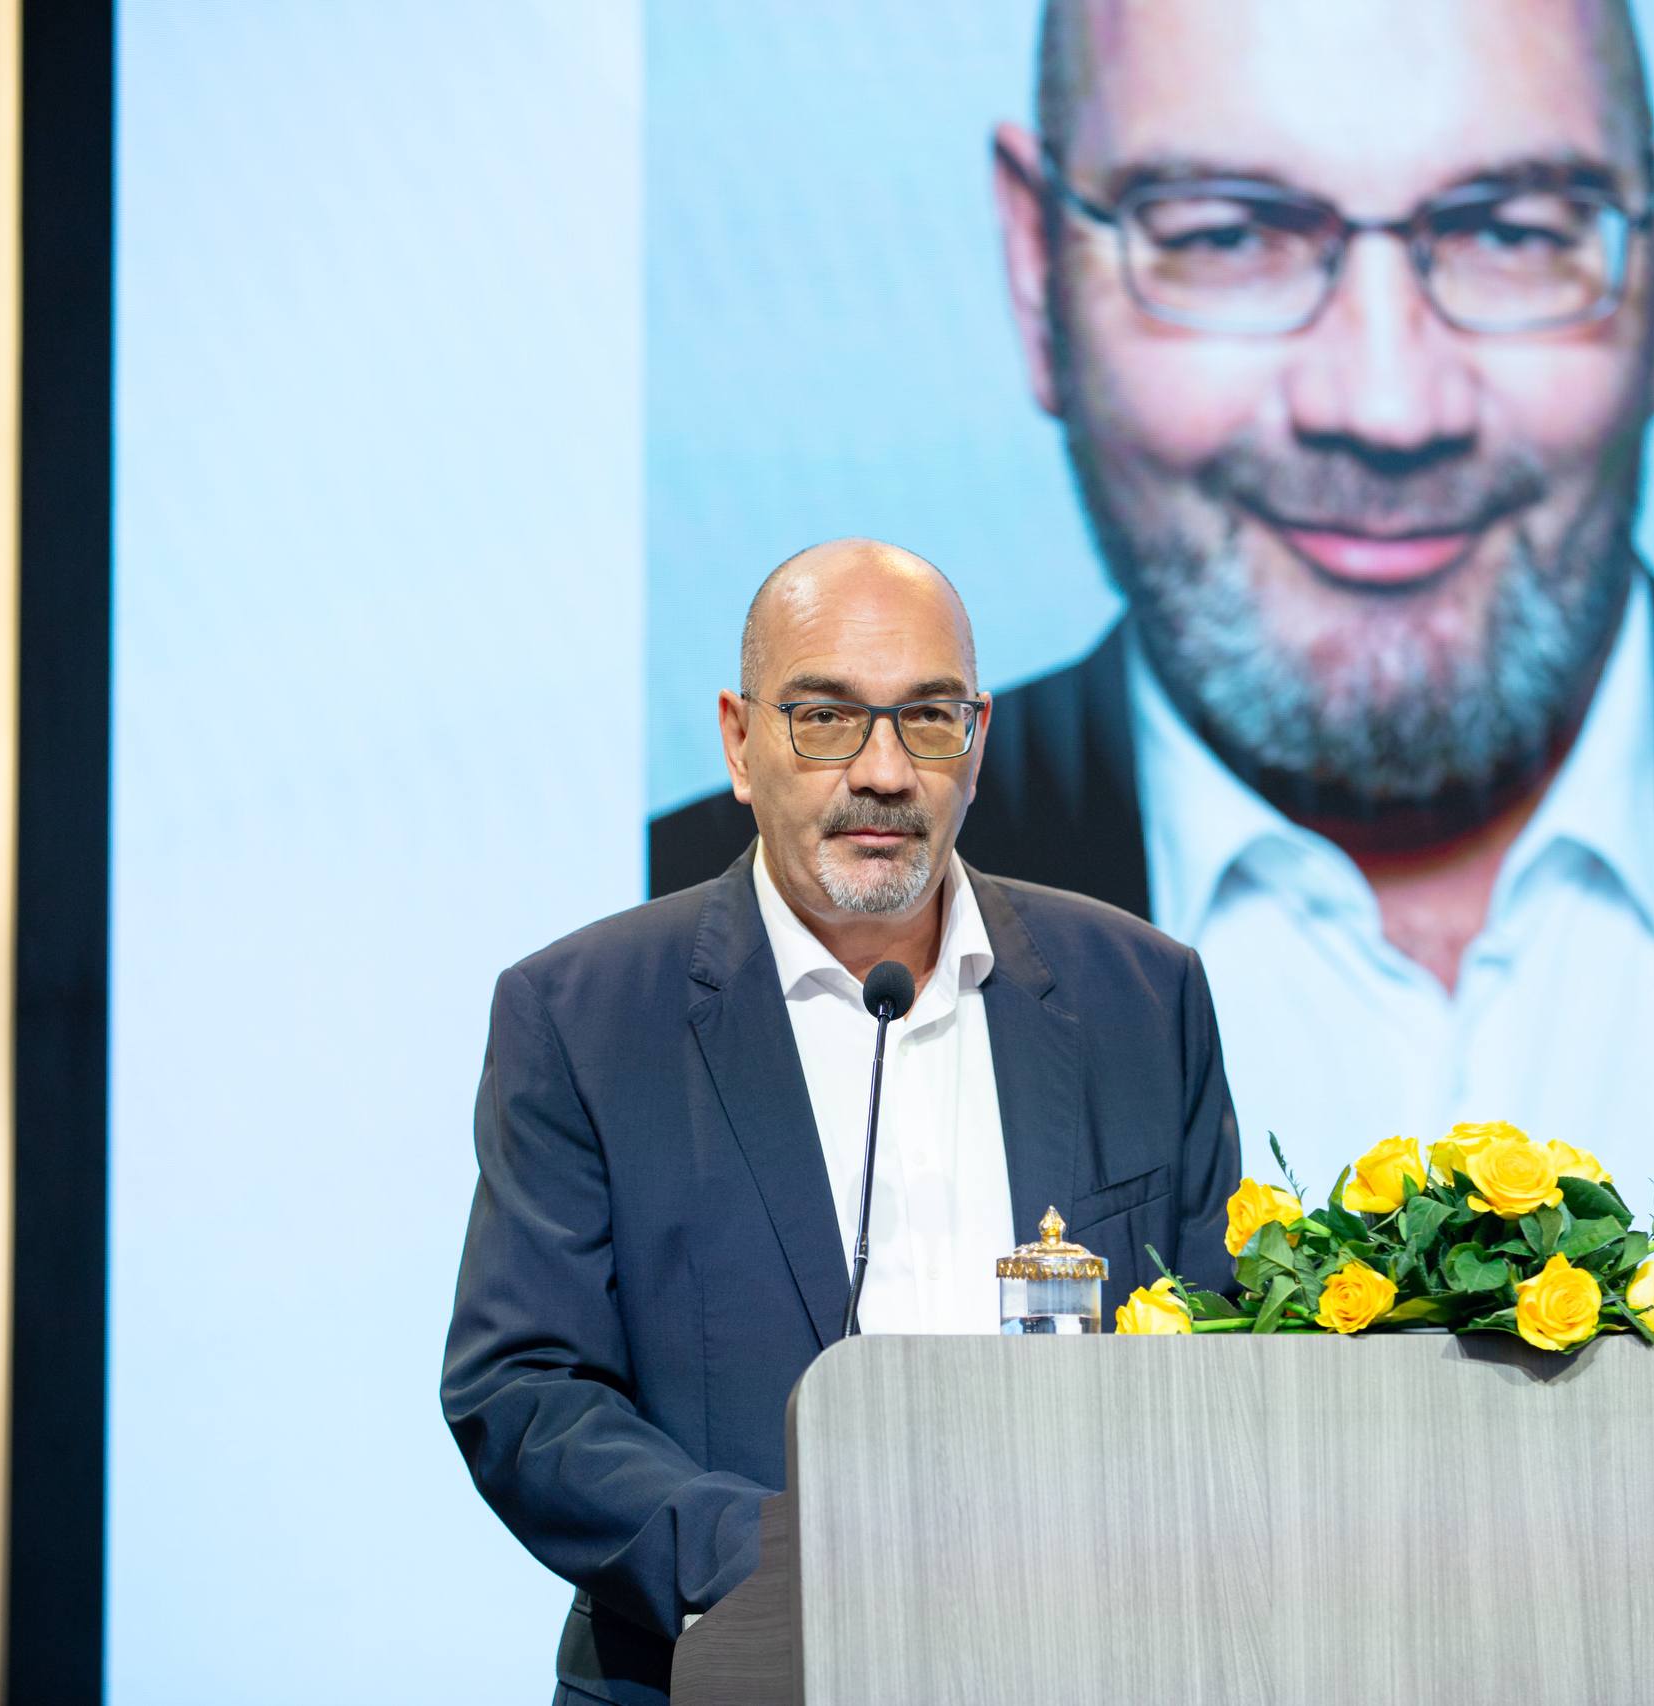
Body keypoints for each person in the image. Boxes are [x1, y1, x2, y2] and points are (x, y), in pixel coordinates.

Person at [651, 0, 1654, 1529]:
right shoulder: (692, 934)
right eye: (1225, 236)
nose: (1386, 403)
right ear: (1035, 265)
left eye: (1512, 232)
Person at [447, 538, 1241, 1705]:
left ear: (977, 740)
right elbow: (525, 1389)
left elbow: (1225, 1341)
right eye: (824, 718)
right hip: (725, 1665)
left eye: (927, 717)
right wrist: (791, 1564)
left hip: (1077, 1659)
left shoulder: (1139, 992)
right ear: (738, 740)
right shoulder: (582, 1014)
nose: (882, 771)